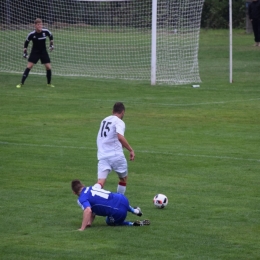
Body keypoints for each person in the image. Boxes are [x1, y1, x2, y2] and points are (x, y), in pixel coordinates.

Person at [71, 179, 150, 231]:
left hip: (118, 212)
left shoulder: (82, 198)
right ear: (83, 185)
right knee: (116, 201)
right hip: (123, 198)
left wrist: (82, 228)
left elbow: (88, 210)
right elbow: (93, 212)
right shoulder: (91, 187)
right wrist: (89, 223)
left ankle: (132, 224)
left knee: (109, 222)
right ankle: (135, 211)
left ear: (74, 193)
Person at [95, 102, 135, 194]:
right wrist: (130, 150)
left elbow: (105, 137)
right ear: (123, 112)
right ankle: (119, 202)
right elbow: (120, 137)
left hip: (103, 156)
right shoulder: (119, 121)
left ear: (112, 111)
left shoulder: (104, 120)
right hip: (116, 155)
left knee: (100, 182)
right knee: (123, 179)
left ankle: (91, 196)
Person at [16, 18, 55, 88]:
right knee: (29, 66)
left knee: (48, 67)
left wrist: (51, 45)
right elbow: (26, 43)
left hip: (43, 52)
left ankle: (49, 83)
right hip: (35, 52)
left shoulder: (45, 31)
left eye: (41, 24)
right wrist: (25, 52)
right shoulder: (31, 34)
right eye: (38, 25)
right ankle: (21, 83)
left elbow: (51, 36)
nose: (40, 26)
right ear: (35, 26)